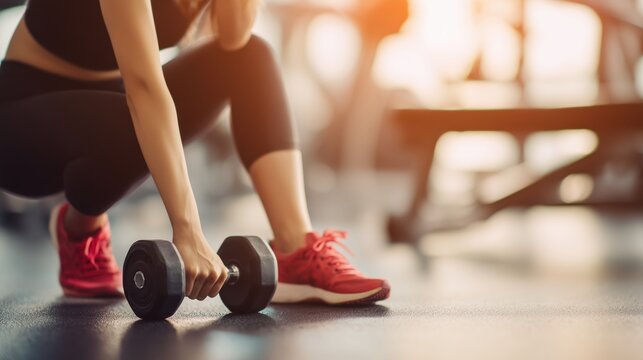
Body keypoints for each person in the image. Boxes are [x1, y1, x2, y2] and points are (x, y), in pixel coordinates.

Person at [0, 0, 389, 305]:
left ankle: (296, 253)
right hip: (21, 119)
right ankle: (80, 230)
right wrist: (187, 232)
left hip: (112, 106)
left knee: (252, 56)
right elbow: (145, 91)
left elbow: (234, 40)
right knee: (139, 116)